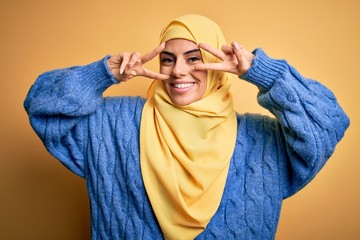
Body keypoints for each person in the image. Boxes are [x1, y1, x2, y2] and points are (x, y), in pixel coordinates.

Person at [24, 14, 349, 240]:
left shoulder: (261, 140)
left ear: (219, 67)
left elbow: (328, 123)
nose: (179, 71)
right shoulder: (115, 125)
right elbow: (42, 107)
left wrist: (264, 73)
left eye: (194, 58)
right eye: (168, 58)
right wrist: (101, 73)